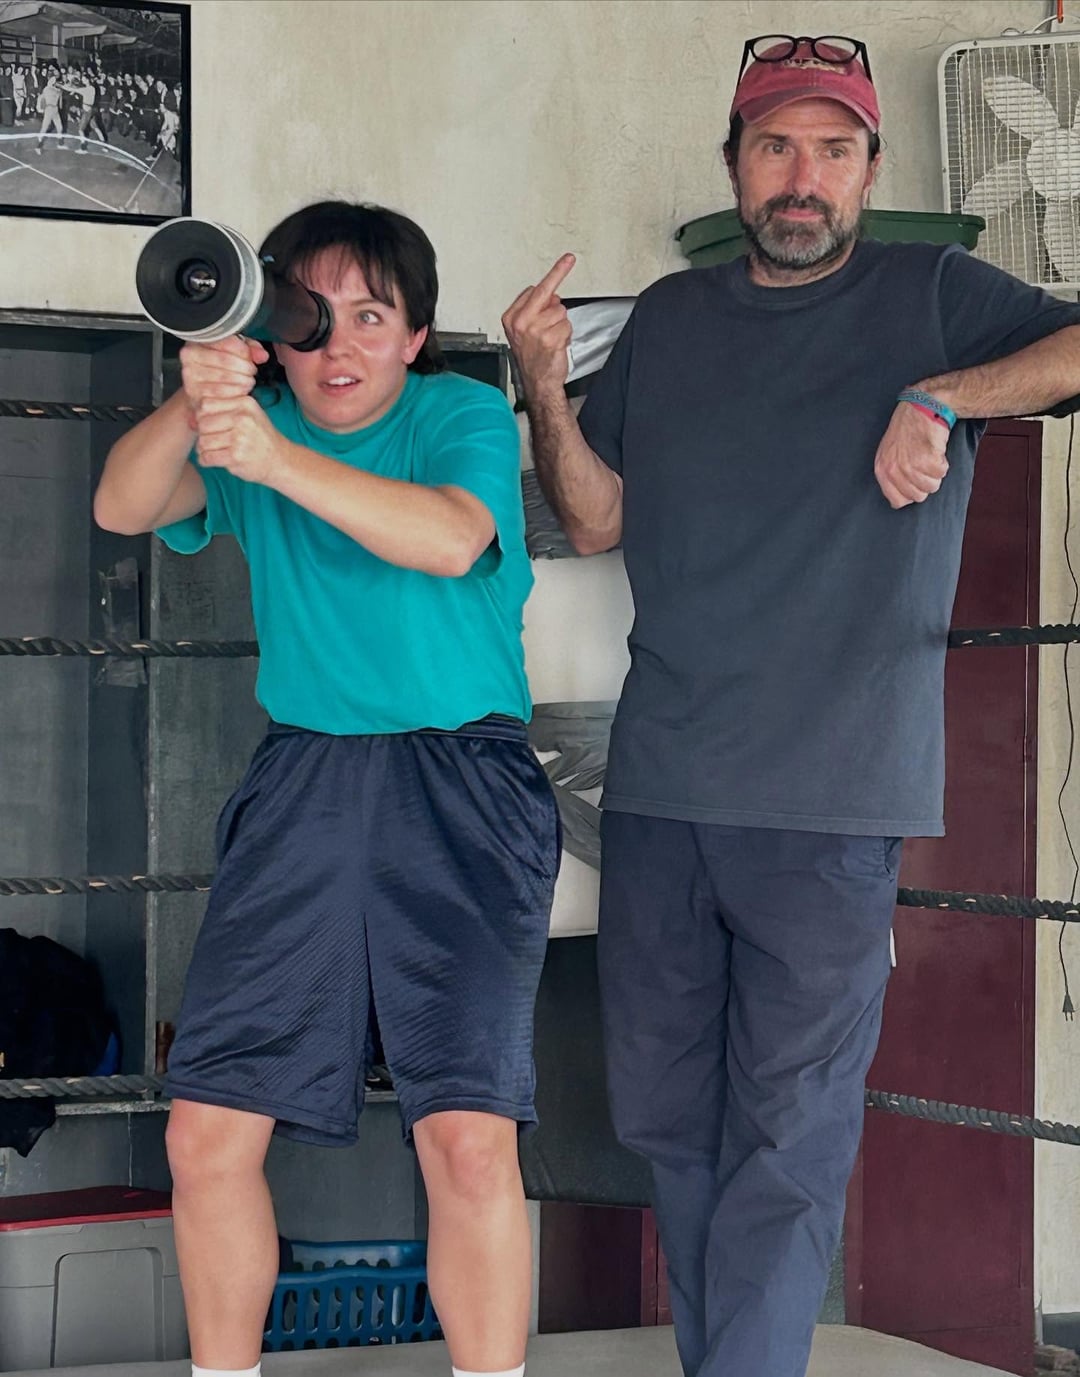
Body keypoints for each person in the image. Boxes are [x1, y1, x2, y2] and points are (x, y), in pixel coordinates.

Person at [503, 34, 1080, 1377]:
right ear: (735, 166)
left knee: (789, 1134)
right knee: (671, 1124)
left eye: (832, 148)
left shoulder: (933, 293)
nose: (802, 176)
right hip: (661, 791)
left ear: (872, 167)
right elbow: (594, 519)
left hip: (831, 800)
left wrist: (945, 395)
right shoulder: (672, 320)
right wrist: (541, 388)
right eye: (775, 146)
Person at [96, 200, 559, 1377]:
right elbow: (121, 505)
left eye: (371, 317)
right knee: (205, 1134)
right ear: (277, 333)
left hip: (464, 775)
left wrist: (270, 455)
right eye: (312, 320)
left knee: (468, 1140)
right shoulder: (252, 428)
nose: (339, 346)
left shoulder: (456, 413)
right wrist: (202, 395)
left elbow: (450, 539)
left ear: (416, 336)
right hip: (305, 773)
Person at [34, 70, 64, 153]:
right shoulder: (46, 89)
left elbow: (59, 100)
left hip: (55, 109)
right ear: (49, 80)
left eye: (54, 79)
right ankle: (38, 146)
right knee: (44, 127)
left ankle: (60, 143)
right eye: (51, 79)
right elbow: (41, 98)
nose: (53, 81)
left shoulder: (57, 90)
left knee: (59, 127)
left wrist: (60, 92)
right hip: (49, 109)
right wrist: (39, 108)